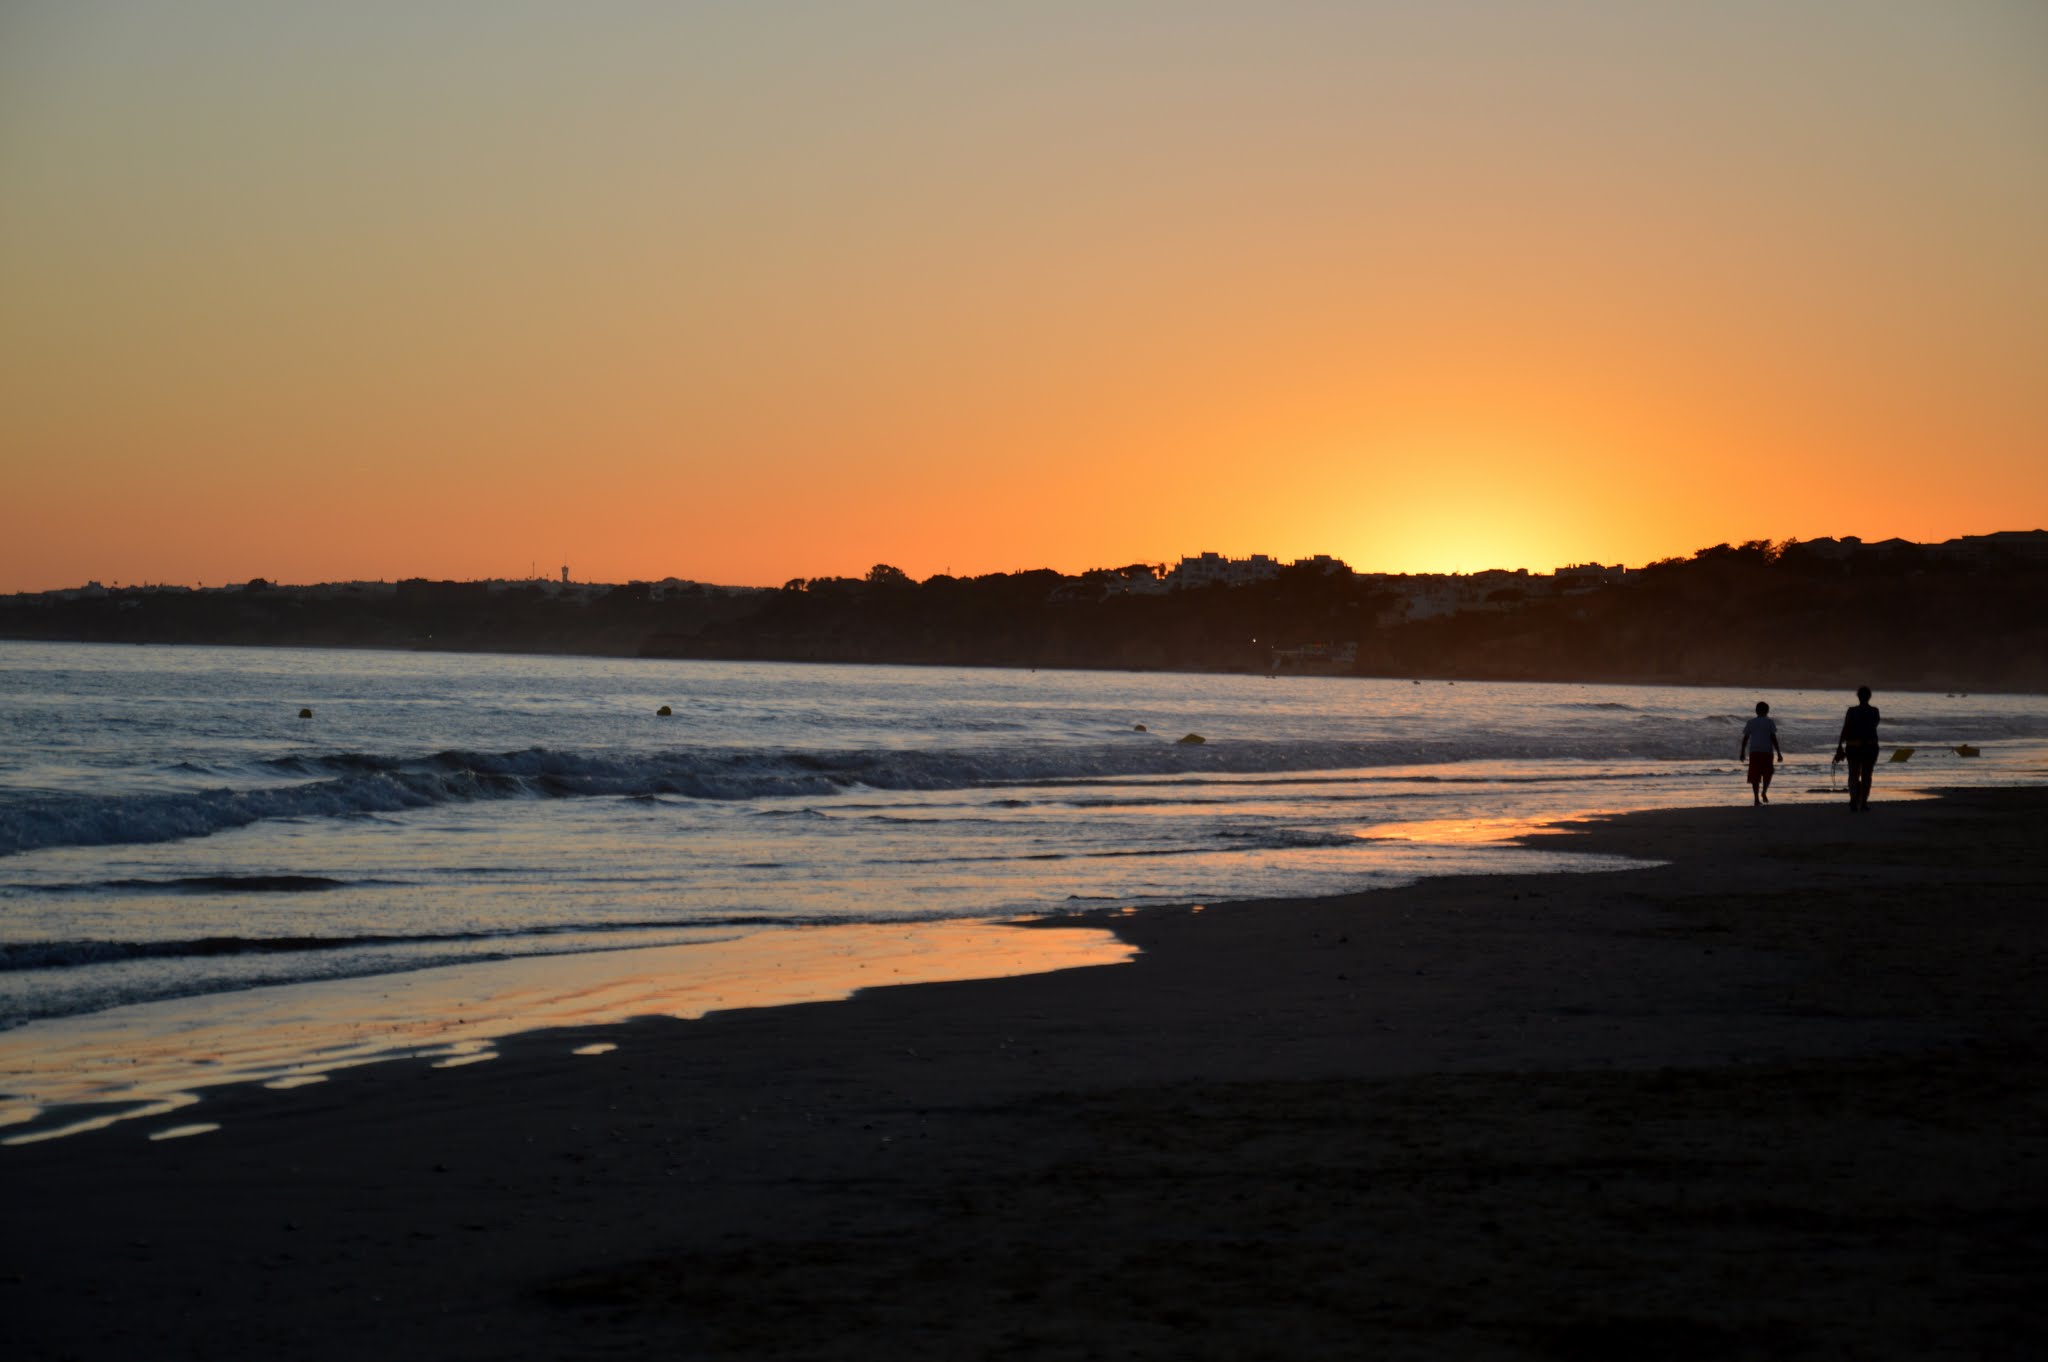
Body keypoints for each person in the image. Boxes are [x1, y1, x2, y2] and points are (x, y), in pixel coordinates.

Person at [1834, 685, 1881, 811]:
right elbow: (1874, 726)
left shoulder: (1852, 711)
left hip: (1854, 747)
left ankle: (1854, 800)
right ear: (1869, 697)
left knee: (1853, 774)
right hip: (1870, 747)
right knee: (1867, 775)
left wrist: (1839, 746)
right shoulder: (1874, 711)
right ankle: (1864, 802)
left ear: (1858, 697)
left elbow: (1846, 728)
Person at [1738, 700, 1784, 804]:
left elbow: (1745, 738)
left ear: (1756, 711)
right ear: (1767, 711)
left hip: (1754, 752)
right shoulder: (1770, 722)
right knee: (1768, 773)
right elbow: (1773, 738)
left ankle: (1756, 799)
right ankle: (1764, 792)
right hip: (1767, 752)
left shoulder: (1751, 722)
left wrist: (1742, 752)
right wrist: (1779, 753)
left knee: (1755, 776)